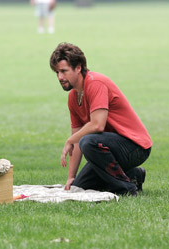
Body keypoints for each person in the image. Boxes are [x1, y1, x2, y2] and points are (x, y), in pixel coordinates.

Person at [49, 42, 152, 196]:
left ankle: (127, 189)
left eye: (64, 71)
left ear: (78, 67)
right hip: (109, 147)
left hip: (135, 147)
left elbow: (97, 125)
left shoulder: (95, 83)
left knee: (88, 141)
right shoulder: (73, 97)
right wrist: (71, 177)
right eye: (57, 72)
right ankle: (133, 176)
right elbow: (77, 139)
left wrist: (69, 140)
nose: (60, 77)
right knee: (80, 187)